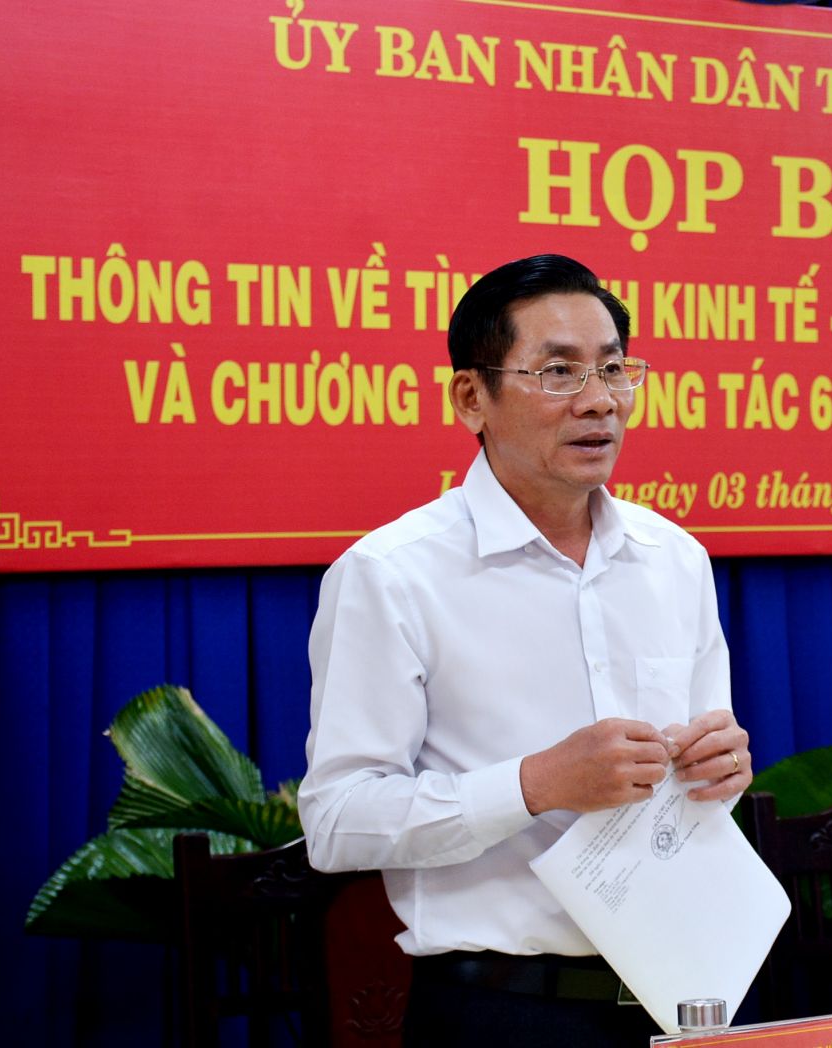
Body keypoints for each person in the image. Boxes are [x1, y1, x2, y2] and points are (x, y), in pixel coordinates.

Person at [298, 254, 751, 1048]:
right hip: (506, 1011)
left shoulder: (675, 558)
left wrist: (722, 770)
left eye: (614, 369)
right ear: (472, 397)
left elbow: (703, 787)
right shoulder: (392, 576)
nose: (601, 402)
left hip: (685, 996)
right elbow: (336, 823)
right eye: (558, 373)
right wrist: (535, 784)